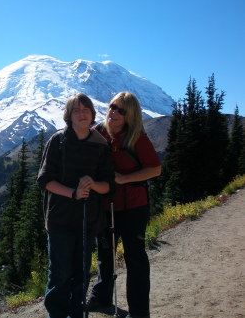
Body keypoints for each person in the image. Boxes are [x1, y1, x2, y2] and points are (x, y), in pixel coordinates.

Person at [37, 93, 115, 318]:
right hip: (59, 219)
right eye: (76, 110)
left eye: (86, 110)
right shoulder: (58, 141)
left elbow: (109, 184)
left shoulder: (100, 144)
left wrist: (94, 185)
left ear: (92, 114)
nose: (82, 114)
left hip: (87, 219)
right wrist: (73, 193)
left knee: (81, 274)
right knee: (60, 275)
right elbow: (44, 181)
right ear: (69, 116)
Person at [87, 91, 161, 318]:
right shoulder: (98, 133)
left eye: (121, 110)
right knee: (105, 253)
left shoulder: (137, 138)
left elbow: (155, 169)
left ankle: (139, 312)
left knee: (135, 257)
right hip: (106, 205)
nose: (114, 112)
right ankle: (101, 297)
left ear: (130, 116)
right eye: (112, 106)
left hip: (133, 207)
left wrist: (125, 179)